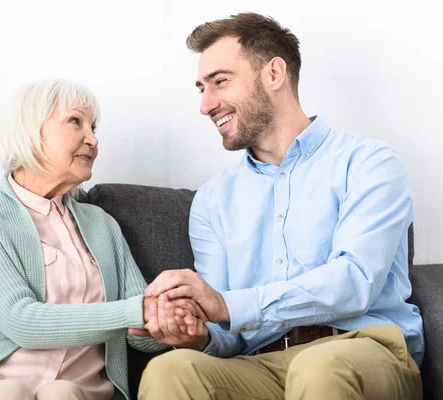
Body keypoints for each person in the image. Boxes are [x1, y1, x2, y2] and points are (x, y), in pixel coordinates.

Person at [137, 13, 424, 400]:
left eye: (220, 82)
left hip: (365, 348)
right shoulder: (213, 200)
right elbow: (226, 335)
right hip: (261, 365)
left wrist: (225, 304)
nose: (206, 105)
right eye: (201, 88)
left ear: (274, 74)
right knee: (171, 369)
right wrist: (195, 332)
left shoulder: (369, 163)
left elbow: (355, 280)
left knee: (319, 365)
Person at [0, 79, 205, 400]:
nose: (93, 139)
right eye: (75, 121)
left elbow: (139, 333)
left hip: (79, 390)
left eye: (94, 127)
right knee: (10, 394)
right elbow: (21, 321)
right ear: (31, 130)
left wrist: (170, 324)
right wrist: (139, 311)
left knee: (62, 394)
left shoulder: (102, 226)